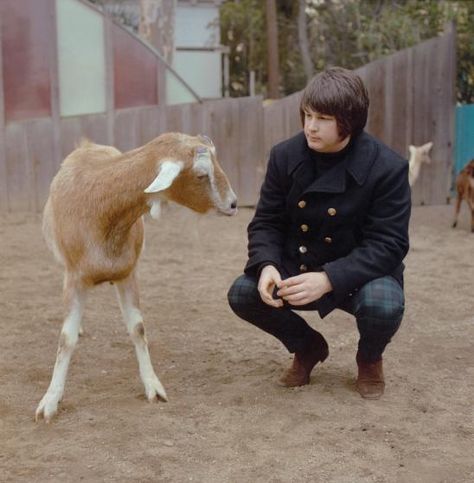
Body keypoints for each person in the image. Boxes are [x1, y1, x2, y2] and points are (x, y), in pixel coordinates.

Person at [227, 67, 411, 400]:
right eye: (308, 114)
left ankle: (370, 358)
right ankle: (308, 347)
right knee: (243, 292)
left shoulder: (387, 167)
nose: (310, 126)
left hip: (359, 274)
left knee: (384, 304)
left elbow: (389, 244)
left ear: (350, 121)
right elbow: (266, 221)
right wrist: (267, 264)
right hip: (298, 265)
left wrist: (329, 278)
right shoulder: (285, 155)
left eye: (323, 118)